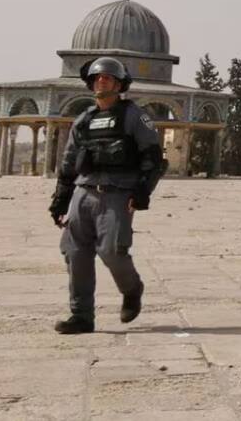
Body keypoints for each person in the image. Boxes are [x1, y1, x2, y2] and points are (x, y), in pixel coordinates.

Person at [48, 57, 166, 334]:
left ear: (119, 85)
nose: (102, 81)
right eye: (98, 77)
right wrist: (60, 201)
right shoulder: (83, 121)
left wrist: (142, 192)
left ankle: (132, 289)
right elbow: (68, 164)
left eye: (108, 78)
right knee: (75, 252)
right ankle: (81, 316)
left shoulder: (134, 116)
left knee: (112, 250)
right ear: (91, 83)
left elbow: (153, 158)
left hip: (117, 194)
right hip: (83, 193)